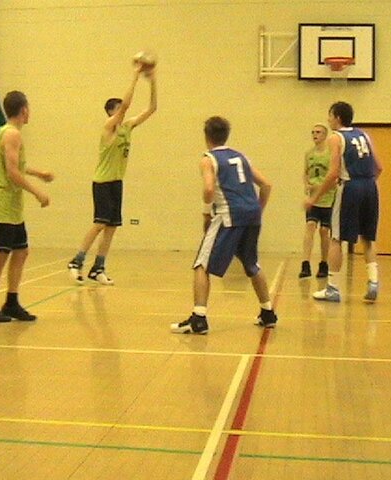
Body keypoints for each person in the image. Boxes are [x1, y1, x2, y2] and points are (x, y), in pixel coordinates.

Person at [171, 116, 277, 335]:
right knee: (251, 263)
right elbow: (266, 184)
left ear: (206, 136)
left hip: (229, 215)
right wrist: (257, 209)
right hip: (251, 215)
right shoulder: (242, 157)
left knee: (201, 263)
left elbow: (209, 189)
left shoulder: (208, 159)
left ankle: (198, 318)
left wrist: (205, 213)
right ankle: (268, 313)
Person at [67, 64, 157, 285]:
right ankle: (76, 261)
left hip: (116, 182)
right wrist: (135, 76)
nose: (122, 111)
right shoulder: (109, 127)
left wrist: (153, 80)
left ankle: (98, 267)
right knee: (99, 224)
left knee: (112, 227)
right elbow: (126, 106)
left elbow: (152, 108)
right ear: (110, 112)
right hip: (102, 182)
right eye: (118, 109)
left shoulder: (127, 127)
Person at [0, 91, 54, 323]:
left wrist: (39, 173)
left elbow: (17, 165)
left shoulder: (7, 132)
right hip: (2, 203)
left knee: (21, 251)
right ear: (24, 109)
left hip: (12, 206)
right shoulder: (11, 135)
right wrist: (37, 191)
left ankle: (12, 301)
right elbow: (11, 172)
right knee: (1, 254)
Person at [305, 101, 383, 303]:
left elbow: (332, 174)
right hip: (371, 186)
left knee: (336, 238)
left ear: (338, 117)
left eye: (330, 115)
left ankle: (332, 288)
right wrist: (366, 183)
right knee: (368, 238)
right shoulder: (364, 135)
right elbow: (379, 167)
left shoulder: (336, 138)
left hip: (350, 186)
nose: (328, 119)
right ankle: (373, 282)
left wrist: (314, 197)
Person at [299, 123, 336, 279]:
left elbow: (334, 177)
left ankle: (324, 263)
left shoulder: (330, 154)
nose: (315, 135)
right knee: (310, 226)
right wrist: (307, 184)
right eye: (313, 132)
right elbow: (305, 173)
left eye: (319, 132)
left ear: (325, 135)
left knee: (324, 231)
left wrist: (322, 187)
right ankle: (305, 264)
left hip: (328, 197)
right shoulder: (309, 154)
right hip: (313, 198)